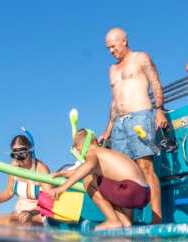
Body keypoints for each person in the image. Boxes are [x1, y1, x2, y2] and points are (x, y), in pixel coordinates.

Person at [97, 27, 167, 224]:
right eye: (108, 48)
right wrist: (108, 129)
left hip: (140, 117)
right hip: (118, 123)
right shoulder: (112, 70)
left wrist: (159, 109)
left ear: (124, 41)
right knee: (123, 175)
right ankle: (128, 222)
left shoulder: (141, 57)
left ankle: (156, 218)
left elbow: (155, 83)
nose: (111, 51)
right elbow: (114, 101)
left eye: (113, 46)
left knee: (145, 167)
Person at [50, 129, 150, 231]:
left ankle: (113, 221)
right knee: (110, 182)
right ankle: (126, 222)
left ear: (79, 147)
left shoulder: (92, 152)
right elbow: (80, 170)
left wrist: (62, 188)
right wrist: (61, 173)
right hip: (144, 193)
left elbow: (88, 167)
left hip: (130, 190)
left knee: (88, 180)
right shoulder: (106, 153)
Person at [0, 133, 51, 225]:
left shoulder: (41, 169)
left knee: (16, 223)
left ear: (30, 151)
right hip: (18, 214)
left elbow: (49, 202)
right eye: (14, 154)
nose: (18, 159)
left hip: (38, 214)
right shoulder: (14, 166)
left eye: (21, 154)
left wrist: (30, 213)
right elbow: (9, 191)